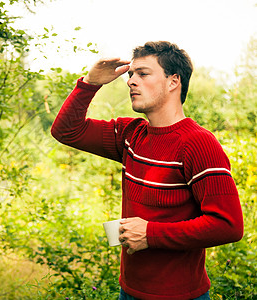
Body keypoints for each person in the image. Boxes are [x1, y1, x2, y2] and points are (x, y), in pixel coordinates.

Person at [50, 41, 244, 300]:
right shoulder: (131, 134)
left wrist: (150, 234)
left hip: (180, 296)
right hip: (128, 291)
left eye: (142, 74)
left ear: (173, 81)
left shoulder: (198, 144)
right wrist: (90, 82)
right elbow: (66, 131)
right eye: (131, 74)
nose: (131, 81)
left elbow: (228, 225)